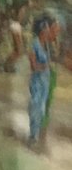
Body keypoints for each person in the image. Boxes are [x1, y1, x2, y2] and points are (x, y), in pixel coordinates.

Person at [28, 12, 58, 148]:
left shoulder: (46, 45)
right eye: (47, 28)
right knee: (36, 107)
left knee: (41, 109)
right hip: (37, 82)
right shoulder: (34, 44)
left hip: (45, 81)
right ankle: (32, 136)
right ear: (42, 29)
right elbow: (33, 66)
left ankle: (35, 135)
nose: (49, 31)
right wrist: (45, 66)